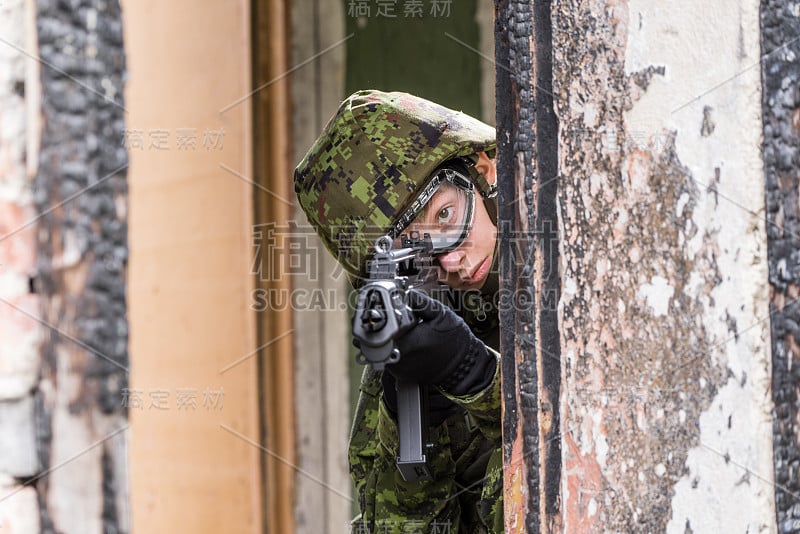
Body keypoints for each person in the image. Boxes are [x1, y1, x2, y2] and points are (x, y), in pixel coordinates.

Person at [294, 89, 502, 533]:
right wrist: (407, 421)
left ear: (482, 170)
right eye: (414, 253)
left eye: (446, 216)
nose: (451, 260)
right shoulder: (414, 347)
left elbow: (587, 459)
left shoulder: (575, 271)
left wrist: (478, 376)